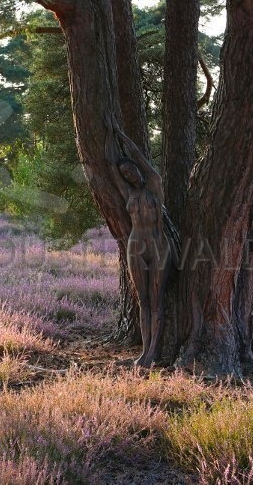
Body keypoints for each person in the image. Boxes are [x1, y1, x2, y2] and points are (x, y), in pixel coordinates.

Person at [108, 128, 171, 367]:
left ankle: (154, 352)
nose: (129, 175)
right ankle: (144, 353)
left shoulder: (154, 184)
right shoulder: (127, 192)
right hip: (135, 246)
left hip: (158, 245)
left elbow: (143, 161)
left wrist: (121, 135)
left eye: (131, 169)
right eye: (125, 173)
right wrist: (108, 139)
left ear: (137, 168)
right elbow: (111, 165)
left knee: (157, 301)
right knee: (143, 302)